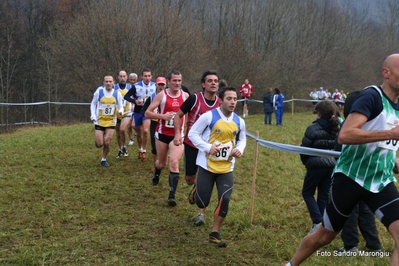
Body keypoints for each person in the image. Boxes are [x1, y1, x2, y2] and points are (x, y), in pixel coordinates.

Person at [283, 53, 399, 266]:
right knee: (325, 236)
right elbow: (345, 135)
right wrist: (391, 134)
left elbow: (384, 145)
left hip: (381, 181)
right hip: (350, 179)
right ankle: (291, 264)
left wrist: (394, 162)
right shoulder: (372, 96)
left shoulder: (397, 105)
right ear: (386, 73)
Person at [188, 86, 246, 247]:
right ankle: (196, 191)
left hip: (226, 168)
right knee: (202, 203)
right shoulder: (208, 117)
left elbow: (242, 139)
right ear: (221, 100)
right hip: (207, 166)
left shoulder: (239, 121)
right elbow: (192, 133)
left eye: (235, 99)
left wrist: (239, 149)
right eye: (229, 98)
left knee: (225, 199)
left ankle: (214, 233)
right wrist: (207, 147)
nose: (232, 102)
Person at [334, 91, 381, 254]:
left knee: (348, 212)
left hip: (351, 175)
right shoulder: (373, 124)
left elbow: (338, 147)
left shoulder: (348, 126)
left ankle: (350, 246)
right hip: (369, 175)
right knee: (366, 211)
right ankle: (374, 244)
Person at [173, 70, 220, 226]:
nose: (213, 83)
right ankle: (196, 185)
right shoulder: (194, 99)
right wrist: (177, 134)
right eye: (210, 80)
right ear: (203, 84)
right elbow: (177, 115)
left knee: (207, 178)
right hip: (192, 144)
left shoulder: (221, 102)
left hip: (211, 147)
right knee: (189, 179)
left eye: (215, 81)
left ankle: (201, 213)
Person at [145, 70, 189, 206]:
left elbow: (190, 114)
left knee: (174, 162)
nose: (177, 83)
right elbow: (147, 113)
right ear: (169, 82)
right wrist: (162, 116)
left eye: (179, 81)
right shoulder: (161, 95)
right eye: (174, 80)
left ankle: (171, 196)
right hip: (162, 134)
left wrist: (187, 131)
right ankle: (157, 171)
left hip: (178, 135)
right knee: (161, 163)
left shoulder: (186, 96)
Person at [299, 100, 341, 234]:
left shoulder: (312, 128)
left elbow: (304, 149)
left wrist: (307, 163)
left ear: (319, 114)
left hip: (315, 167)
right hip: (332, 166)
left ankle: (317, 221)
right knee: (323, 196)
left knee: (307, 193)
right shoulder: (339, 128)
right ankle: (322, 225)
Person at [90, 75, 123, 167]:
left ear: (113, 82)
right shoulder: (99, 92)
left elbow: (120, 106)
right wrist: (93, 115)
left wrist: (120, 112)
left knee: (107, 142)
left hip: (111, 121)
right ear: (103, 82)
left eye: (110, 81)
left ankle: (103, 159)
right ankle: (98, 141)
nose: (108, 83)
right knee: (100, 143)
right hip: (100, 121)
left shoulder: (117, 94)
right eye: (106, 81)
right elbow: (93, 104)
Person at [124, 68, 156, 161]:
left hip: (148, 112)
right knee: (139, 133)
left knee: (146, 131)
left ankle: (144, 150)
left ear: (151, 76)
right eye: (145, 76)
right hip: (138, 111)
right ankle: (140, 149)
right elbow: (126, 96)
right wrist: (135, 101)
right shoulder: (136, 86)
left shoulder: (154, 86)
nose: (147, 78)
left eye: (149, 76)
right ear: (142, 77)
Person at [141, 77, 167, 173]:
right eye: (159, 84)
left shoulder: (170, 96)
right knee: (154, 146)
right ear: (155, 85)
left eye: (162, 85)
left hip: (166, 124)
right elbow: (143, 110)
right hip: (155, 124)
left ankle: (164, 161)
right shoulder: (152, 97)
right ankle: (156, 166)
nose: (161, 87)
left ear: (165, 85)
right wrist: (149, 115)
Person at [114, 70, 132, 158]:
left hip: (127, 113)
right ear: (118, 77)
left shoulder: (130, 87)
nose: (122, 78)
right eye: (120, 76)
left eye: (124, 76)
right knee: (118, 133)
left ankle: (124, 146)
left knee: (122, 129)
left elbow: (136, 96)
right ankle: (121, 149)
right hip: (117, 113)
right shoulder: (114, 87)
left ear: (126, 77)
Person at [127, 73, 138, 146]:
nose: (132, 81)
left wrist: (134, 104)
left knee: (134, 125)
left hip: (136, 108)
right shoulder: (127, 88)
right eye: (131, 80)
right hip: (128, 108)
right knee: (129, 125)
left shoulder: (138, 87)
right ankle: (131, 139)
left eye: (134, 80)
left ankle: (137, 132)